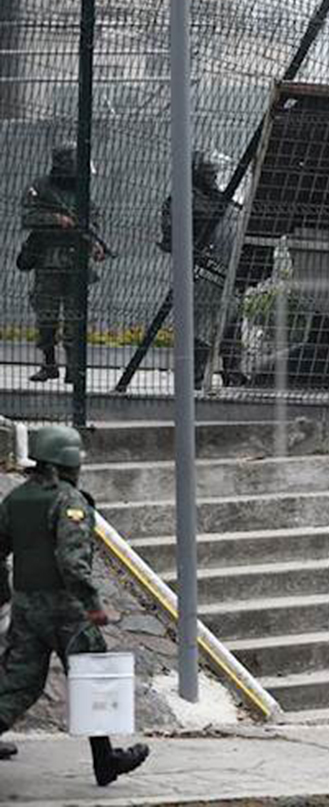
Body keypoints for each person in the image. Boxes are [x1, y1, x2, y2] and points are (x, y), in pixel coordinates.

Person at [0, 426, 150, 784]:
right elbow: (72, 561)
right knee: (92, 680)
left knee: (20, 682)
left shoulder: (15, 499)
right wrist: (93, 604)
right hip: (68, 611)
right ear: (67, 461)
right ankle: (106, 760)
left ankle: (106, 761)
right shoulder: (69, 502)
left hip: (26, 609)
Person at [18, 143, 106, 383]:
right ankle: (49, 364)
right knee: (46, 317)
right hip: (48, 260)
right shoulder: (40, 187)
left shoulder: (82, 191)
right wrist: (56, 219)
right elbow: (28, 216)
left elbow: (93, 220)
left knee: (75, 317)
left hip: (76, 261)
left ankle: (73, 368)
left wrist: (96, 245)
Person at [160, 150, 248, 387]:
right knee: (201, 325)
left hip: (226, 269)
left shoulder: (224, 200)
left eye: (215, 172)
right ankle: (195, 374)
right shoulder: (183, 198)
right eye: (209, 172)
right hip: (201, 271)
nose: (213, 176)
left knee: (232, 322)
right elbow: (171, 234)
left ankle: (233, 372)